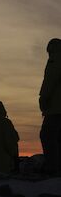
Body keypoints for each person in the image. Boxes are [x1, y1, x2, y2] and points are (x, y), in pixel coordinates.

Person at [39, 38, 61, 175]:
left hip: (56, 107)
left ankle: (53, 168)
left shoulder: (56, 58)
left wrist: (44, 97)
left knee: (47, 135)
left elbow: (50, 78)